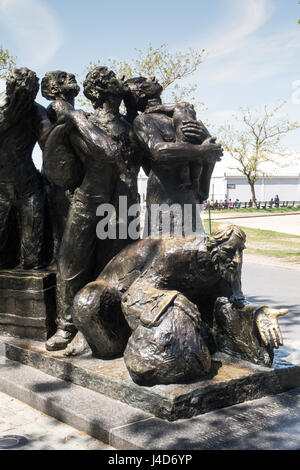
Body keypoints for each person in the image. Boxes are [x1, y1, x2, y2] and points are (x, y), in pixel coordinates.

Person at [72, 223, 288, 385]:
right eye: (231, 252)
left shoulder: (226, 262)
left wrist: (258, 313)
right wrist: (177, 298)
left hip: (157, 314)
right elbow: (132, 296)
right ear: (212, 247)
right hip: (110, 308)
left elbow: (232, 302)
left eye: (241, 251)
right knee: (90, 303)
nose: (237, 259)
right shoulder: (175, 254)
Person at [44, 67, 140, 351]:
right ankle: (66, 326)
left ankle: (108, 324)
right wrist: (73, 118)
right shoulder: (82, 121)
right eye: (110, 78)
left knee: (115, 264)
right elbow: (65, 164)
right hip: (89, 200)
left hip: (123, 202)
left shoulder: (131, 124)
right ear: (97, 91)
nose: (118, 80)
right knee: (72, 264)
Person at [123, 76, 223, 235]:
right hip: (165, 197)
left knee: (194, 249)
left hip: (189, 195)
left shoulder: (182, 113)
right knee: (164, 249)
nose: (152, 78)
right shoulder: (143, 120)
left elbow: (210, 157)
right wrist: (201, 150)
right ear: (140, 93)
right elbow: (159, 150)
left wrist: (206, 139)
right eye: (145, 80)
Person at [0, 67, 51, 269]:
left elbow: (48, 141)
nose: (24, 98)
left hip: (28, 186)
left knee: (32, 257)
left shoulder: (36, 110)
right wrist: (9, 119)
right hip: (1, 189)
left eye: (30, 93)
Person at [41, 70, 81, 264]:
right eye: (63, 77)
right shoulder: (59, 106)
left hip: (67, 178)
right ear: (54, 88)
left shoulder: (68, 107)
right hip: (60, 180)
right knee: (65, 228)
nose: (71, 76)